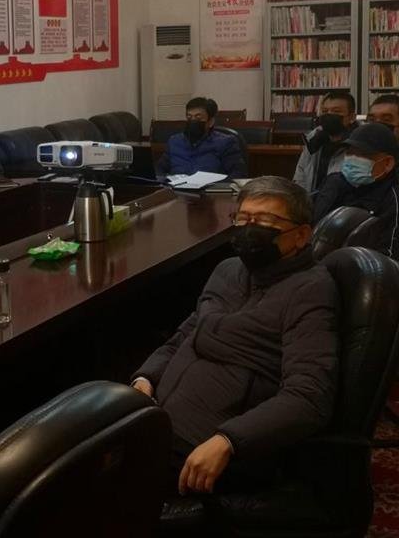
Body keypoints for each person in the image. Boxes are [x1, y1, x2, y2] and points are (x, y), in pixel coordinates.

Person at [131, 176, 339, 495]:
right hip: (157, 420)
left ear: (301, 235)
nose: (249, 229)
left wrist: (228, 440)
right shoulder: (228, 270)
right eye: (243, 219)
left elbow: (310, 396)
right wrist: (145, 378)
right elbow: (185, 333)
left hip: (208, 445)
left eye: (265, 221)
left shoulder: (310, 290)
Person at [312, 123, 399, 273]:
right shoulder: (334, 183)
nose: (353, 159)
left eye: (363, 154)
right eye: (350, 152)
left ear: (387, 163)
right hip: (317, 268)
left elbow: (393, 265)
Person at [155, 97, 245, 179]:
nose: (193, 121)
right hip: (177, 189)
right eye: (189, 117)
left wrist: (217, 186)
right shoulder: (174, 142)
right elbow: (159, 170)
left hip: (211, 190)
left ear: (210, 122)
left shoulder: (225, 142)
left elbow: (238, 174)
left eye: (198, 118)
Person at [293, 91, 360, 193]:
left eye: (336, 111)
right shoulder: (313, 138)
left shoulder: (360, 143)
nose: (329, 115)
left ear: (352, 117)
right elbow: (301, 172)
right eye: (325, 111)